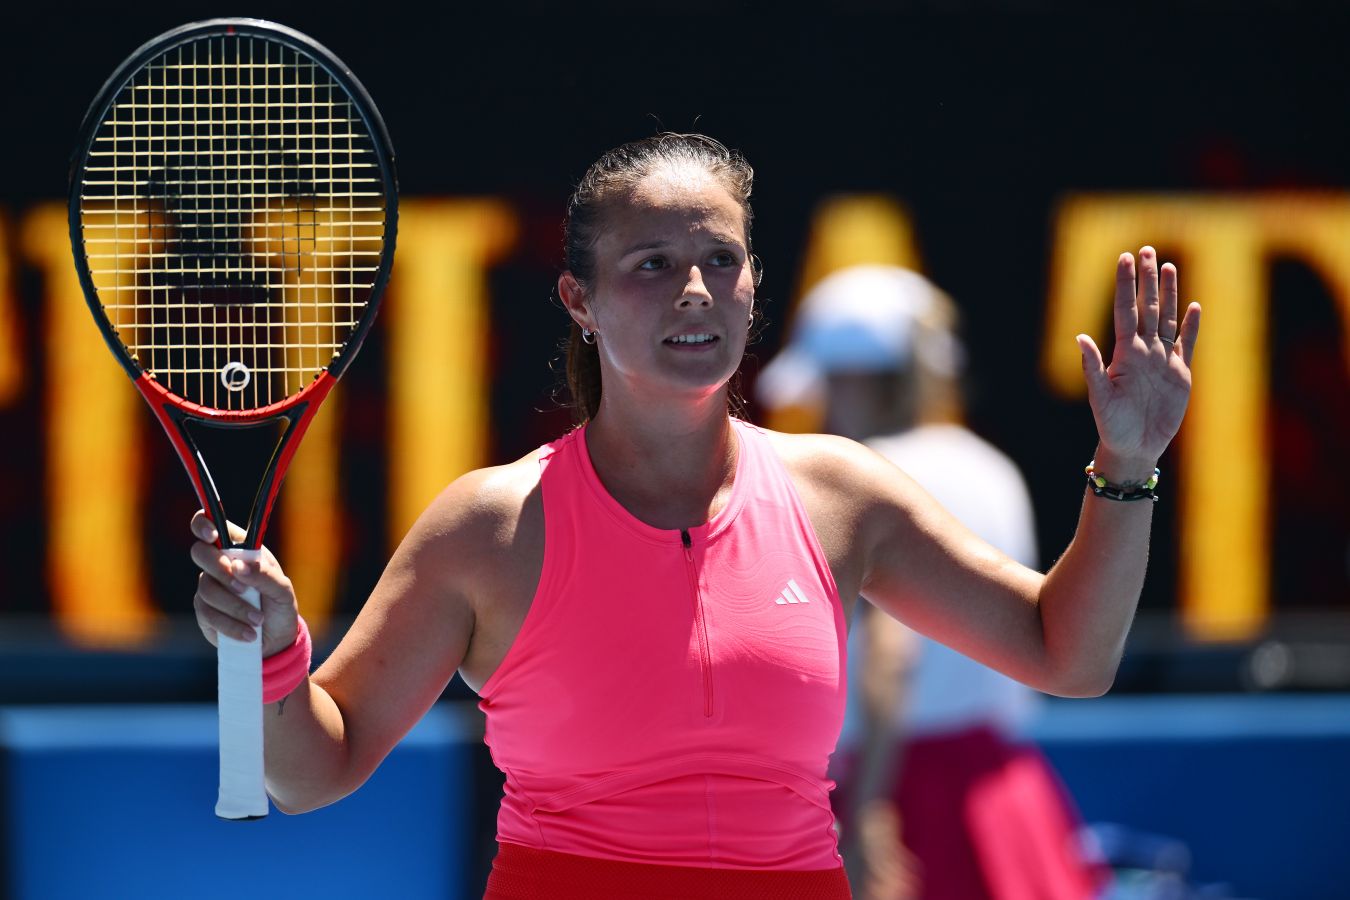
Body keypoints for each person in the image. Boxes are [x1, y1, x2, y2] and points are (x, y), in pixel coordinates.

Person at [188, 133, 1201, 899]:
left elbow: (1069, 655)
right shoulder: (488, 528)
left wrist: (1126, 465)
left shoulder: (842, 496)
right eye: (651, 264)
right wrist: (269, 656)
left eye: (722, 259)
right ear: (578, 300)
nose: (695, 290)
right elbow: (311, 772)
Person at [757, 265, 1105, 899]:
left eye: (831, 383)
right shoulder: (991, 467)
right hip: (1001, 787)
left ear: (860, 378)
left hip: (891, 794)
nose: (825, 406)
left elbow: (892, 655)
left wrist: (869, 809)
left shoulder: (858, 480)